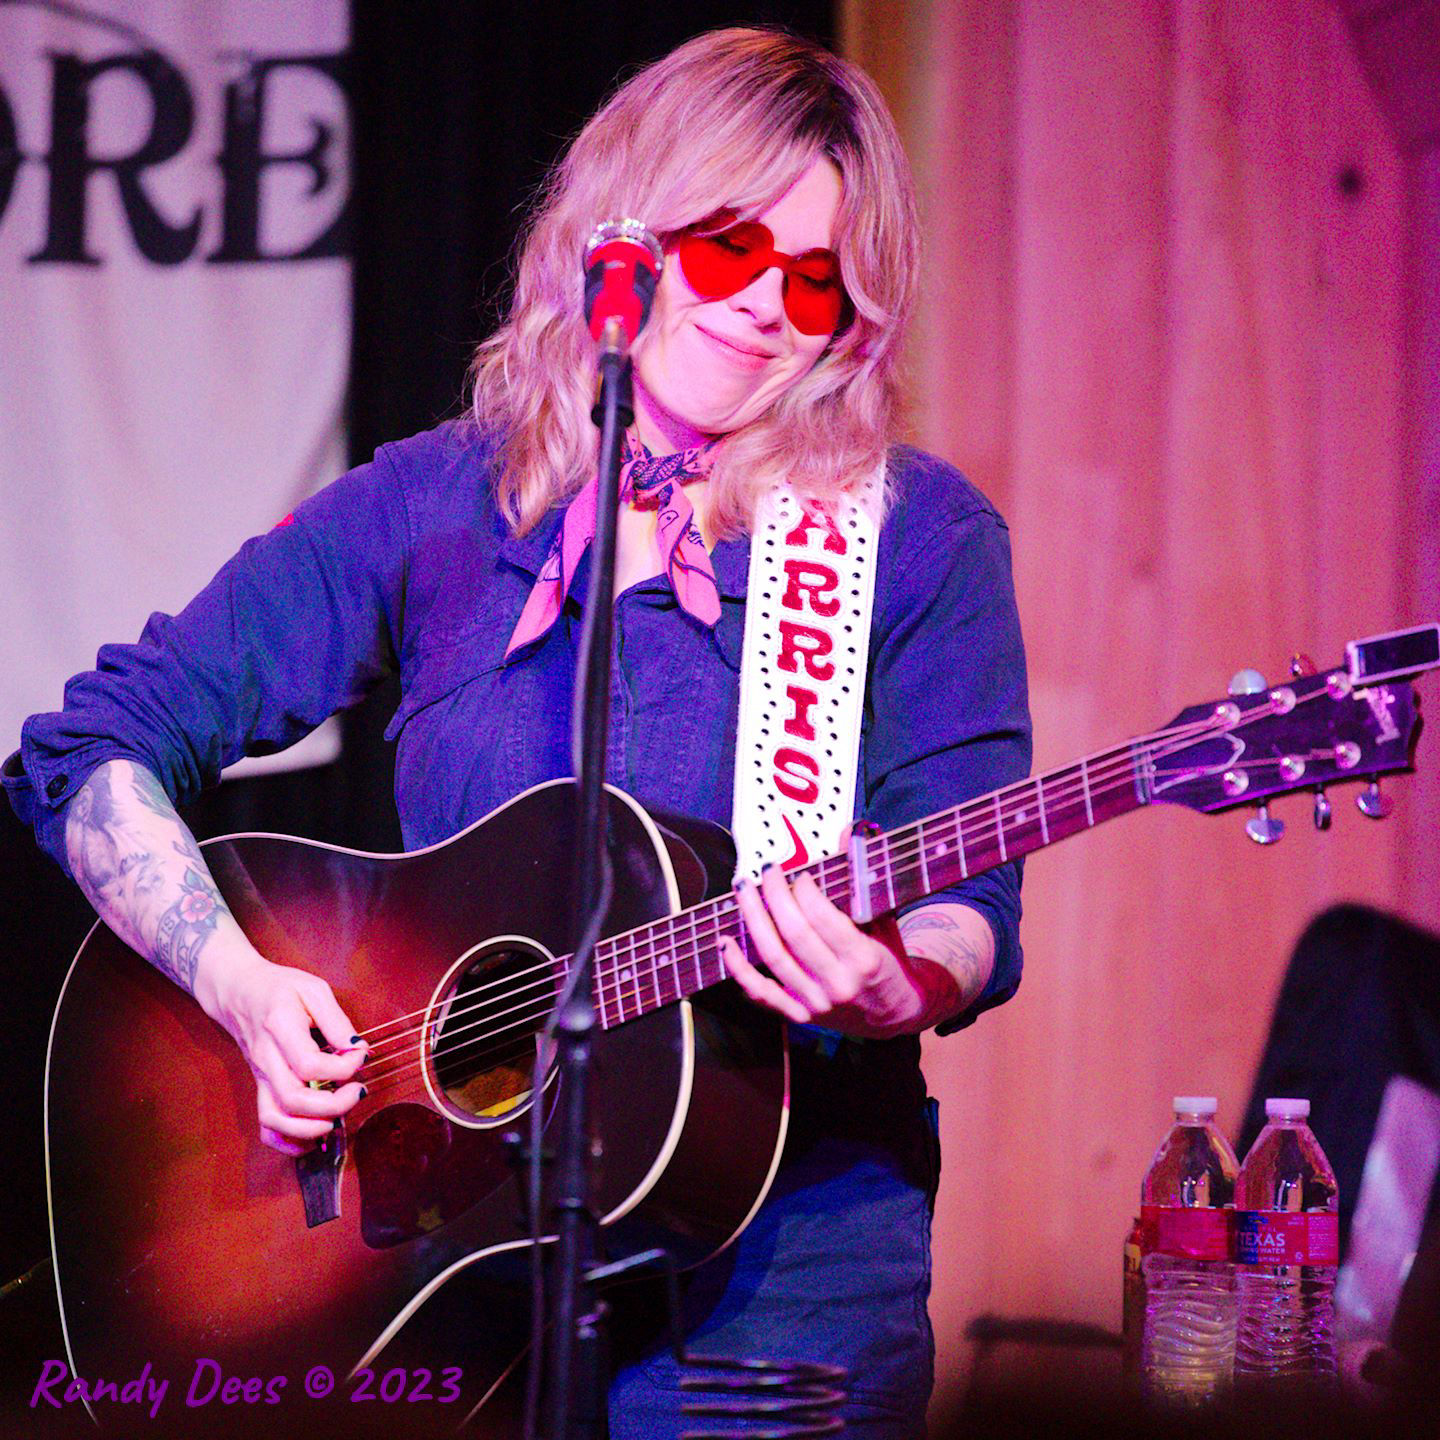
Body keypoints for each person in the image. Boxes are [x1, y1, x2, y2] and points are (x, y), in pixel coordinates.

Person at [4, 28, 1030, 1437]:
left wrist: (894, 983)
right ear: (624, 232)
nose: (764, 309)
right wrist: (237, 984)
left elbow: (971, 897)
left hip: (778, 1260)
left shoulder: (913, 537)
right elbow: (93, 745)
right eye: (732, 247)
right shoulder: (437, 505)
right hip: (440, 1246)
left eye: (815, 282)